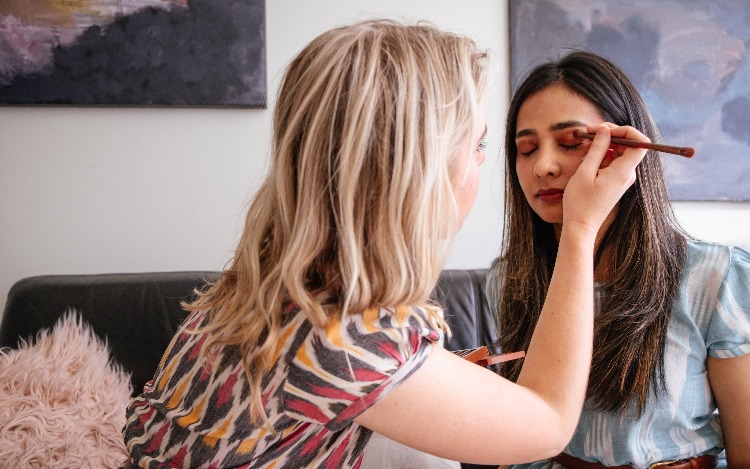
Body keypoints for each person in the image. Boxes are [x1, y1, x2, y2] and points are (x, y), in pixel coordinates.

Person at [120, 22, 646, 468]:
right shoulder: (342, 337)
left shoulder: (268, 286)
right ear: (416, 167)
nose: (490, 163)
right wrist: (580, 231)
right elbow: (548, 423)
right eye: (480, 144)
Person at [488, 50, 750, 469]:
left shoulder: (716, 278)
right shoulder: (508, 279)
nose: (544, 166)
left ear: (627, 151)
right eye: (525, 149)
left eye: (573, 142)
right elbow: (519, 434)